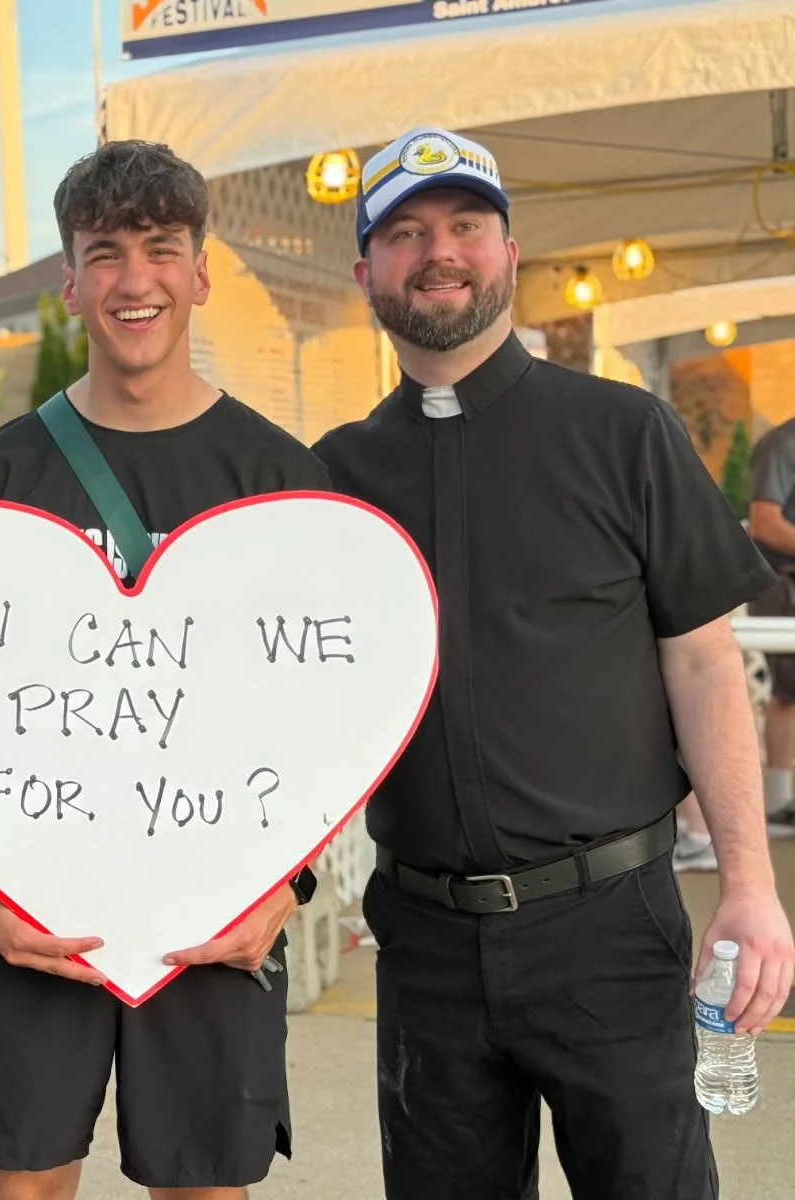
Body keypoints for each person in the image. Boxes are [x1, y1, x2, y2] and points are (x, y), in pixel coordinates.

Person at [312, 125, 795, 1199]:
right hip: (426, 943)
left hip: (609, 933)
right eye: (405, 232)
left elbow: (709, 669)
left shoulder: (625, 432)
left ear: (508, 252)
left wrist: (749, 888)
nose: (438, 251)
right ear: (366, 274)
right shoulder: (335, 475)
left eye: (464, 226)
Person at [0, 139, 324, 1200]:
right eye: (104, 253)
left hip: (210, 911)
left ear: (200, 272)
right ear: (70, 280)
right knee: (25, 1184)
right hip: (32, 912)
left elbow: (322, 711)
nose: (133, 279)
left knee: (203, 1185)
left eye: (161, 248)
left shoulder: (279, 478)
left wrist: (284, 888)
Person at [746, 416, 795, 838]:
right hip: (783, 580)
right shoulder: (783, 443)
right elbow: (765, 522)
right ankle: (780, 806)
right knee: (790, 690)